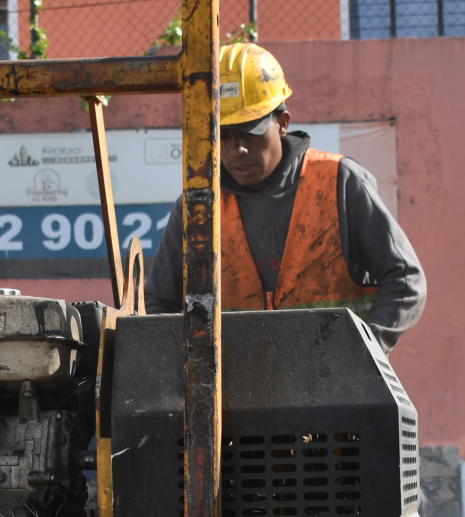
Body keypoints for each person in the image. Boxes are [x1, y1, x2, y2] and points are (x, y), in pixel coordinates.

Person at [145, 42, 426, 348]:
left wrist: (366, 353)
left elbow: (406, 280)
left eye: (249, 132)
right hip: (235, 390)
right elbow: (160, 302)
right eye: (222, 135)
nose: (236, 149)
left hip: (336, 387)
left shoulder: (339, 182)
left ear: (282, 124)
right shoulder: (198, 208)